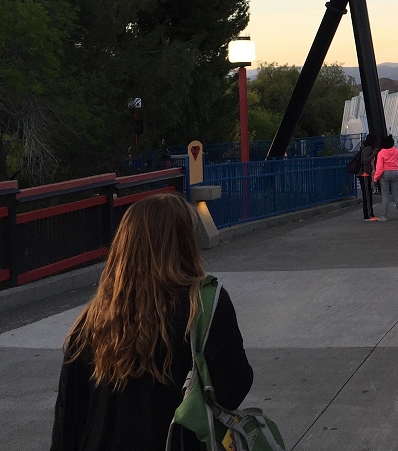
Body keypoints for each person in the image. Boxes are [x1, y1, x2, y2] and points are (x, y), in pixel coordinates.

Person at [50, 193, 252, 451]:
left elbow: (67, 425)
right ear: (183, 244)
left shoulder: (89, 324)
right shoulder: (202, 306)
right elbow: (232, 391)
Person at [374, 134, 398, 221]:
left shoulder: (381, 153)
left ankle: (384, 216)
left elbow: (379, 167)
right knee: (396, 195)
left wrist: (376, 178)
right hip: (395, 172)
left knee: (385, 196)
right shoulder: (396, 151)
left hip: (385, 173)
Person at [359, 133, 378, 221]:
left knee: (367, 193)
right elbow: (365, 160)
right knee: (367, 194)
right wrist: (374, 153)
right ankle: (369, 215)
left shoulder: (365, 148)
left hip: (364, 173)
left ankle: (368, 214)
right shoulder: (368, 149)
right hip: (365, 173)